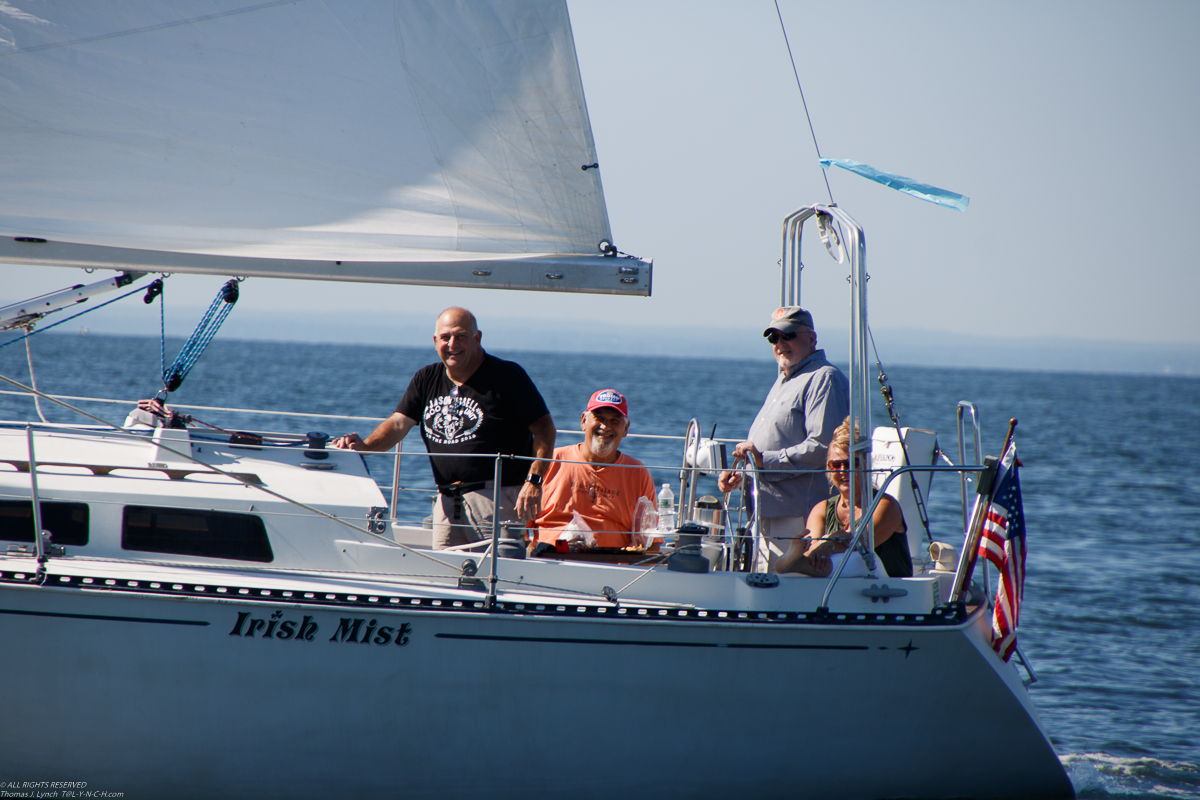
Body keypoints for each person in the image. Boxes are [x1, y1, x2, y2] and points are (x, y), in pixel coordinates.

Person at [331, 307, 555, 548]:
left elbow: (545, 429)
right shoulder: (426, 378)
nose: (452, 344)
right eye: (446, 337)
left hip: (496, 499)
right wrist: (365, 446)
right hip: (447, 501)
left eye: (461, 336)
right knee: (445, 576)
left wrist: (534, 481)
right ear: (435, 341)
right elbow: (398, 423)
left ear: (477, 338)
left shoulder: (507, 376)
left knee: (497, 576)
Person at [717, 306, 849, 572]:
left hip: (797, 516)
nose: (780, 344)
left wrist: (763, 460)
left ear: (811, 338)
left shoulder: (824, 378)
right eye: (774, 338)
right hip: (766, 511)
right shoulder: (785, 379)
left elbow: (823, 448)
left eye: (788, 335)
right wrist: (745, 475)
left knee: (785, 593)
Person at [776, 416, 911, 578]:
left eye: (850, 464)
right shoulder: (822, 509)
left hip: (887, 589)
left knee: (860, 556)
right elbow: (814, 552)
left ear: (866, 465)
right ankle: (791, 561)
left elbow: (859, 540)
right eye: (835, 464)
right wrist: (821, 545)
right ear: (828, 468)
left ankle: (788, 564)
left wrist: (829, 545)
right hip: (841, 589)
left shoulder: (885, 505)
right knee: (817, 557)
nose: (842, 471)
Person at [532, 389, 656, 550]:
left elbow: (651, 542)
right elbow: (519, 524)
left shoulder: (638, 472)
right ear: (584, 421)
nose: (605, 426)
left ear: (626, 429)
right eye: (599, 418)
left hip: (612, 566)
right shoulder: (550, 461)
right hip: (550, 559)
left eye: (615, 421)